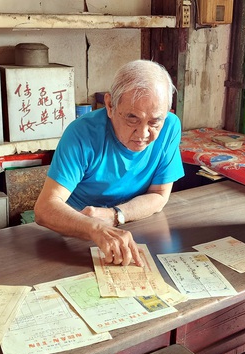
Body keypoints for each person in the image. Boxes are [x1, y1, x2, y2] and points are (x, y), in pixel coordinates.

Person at [34, 59, 184, 267]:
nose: (143, 134)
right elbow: (45, 209)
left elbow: (159, 195)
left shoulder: (169, 127)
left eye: (154, 122)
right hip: (77, 230)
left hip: (131, 226)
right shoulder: (81, 134)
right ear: (110, 105)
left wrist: (115, 215)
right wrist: (96, 227)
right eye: (132, 119)